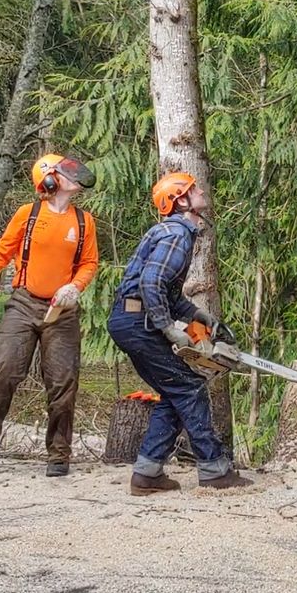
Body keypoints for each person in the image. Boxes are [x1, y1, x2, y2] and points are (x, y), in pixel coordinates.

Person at [107, 171, 253, 495]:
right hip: (139, 323)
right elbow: (150, 284)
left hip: (130, 321)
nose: (201, 191)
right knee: (189, 386)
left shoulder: (173, 232)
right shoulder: (176, 233)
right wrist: (168, 328)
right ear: (181, 200)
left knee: (176, 391)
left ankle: (147, 474)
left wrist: (202, 317)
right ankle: (214, 469)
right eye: (193, 188)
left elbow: (169, 295)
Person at [0, 154, 99, 477]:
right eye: (63, 172)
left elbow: (89, 263)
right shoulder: (28, 214)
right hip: (23, 302)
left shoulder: (83, 221)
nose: (72, 175)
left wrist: (75, 287)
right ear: (50, 180)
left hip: (61, 310)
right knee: (5, 368)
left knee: (63, 381)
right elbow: (2, 251)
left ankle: (59, 454)